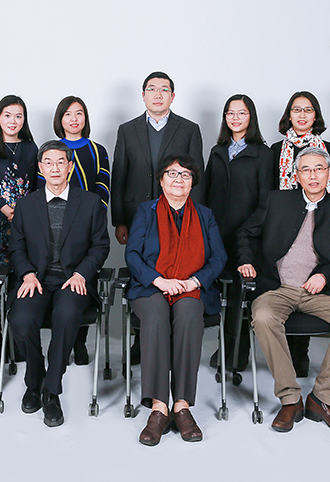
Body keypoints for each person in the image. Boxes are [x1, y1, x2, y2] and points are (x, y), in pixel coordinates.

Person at [237, 146, 330, 433]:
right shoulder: (276, 200)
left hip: (319, 292)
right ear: (296, 175)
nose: (313, 175)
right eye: (306, 169)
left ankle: (323, 399)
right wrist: (246, 260)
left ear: (328, 173)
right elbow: (245, 233)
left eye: (319, 169)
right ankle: (290, 399)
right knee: (263, 317)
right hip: (277, 288)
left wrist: (325, 275)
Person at [125, 154, 226, 446]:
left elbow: (218, 257)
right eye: (172, 173)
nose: (178, 179)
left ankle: (181, 405)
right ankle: (159, 407)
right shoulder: (146, 212)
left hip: (190, 287)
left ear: (192, 182)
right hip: (151, 286)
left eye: (185, 174)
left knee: (190, 315)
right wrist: (159, 281)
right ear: (161, 180)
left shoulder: (205, 215)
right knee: (156, 316)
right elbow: (133, 254)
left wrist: (194, 281)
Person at [8, 141, 110, 427]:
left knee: (66, 316)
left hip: (72, 280)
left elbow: (100, 246)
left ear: (70, 166)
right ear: (40, 168)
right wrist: (27, 274)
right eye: (48, 163)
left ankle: (51, 392)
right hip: (37, 279)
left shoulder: (90, 203)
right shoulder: (26, 204)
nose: (55, 168)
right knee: (20, 319)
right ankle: (35, 379)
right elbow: (16, 247)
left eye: (60, 162)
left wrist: (81, 274)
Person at [111, 71, 205, 363]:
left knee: (176, 269)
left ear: (172, 96)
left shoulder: (188, 129)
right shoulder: (127, 130)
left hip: (178, 216)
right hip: (137, 215)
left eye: (164, 89)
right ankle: (142, 340)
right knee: (143, 274)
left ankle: (173, 339)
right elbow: (119, 176)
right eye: (152, 89)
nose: (158, 94)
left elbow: (197, 178)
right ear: (143, 96)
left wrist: (196, 221)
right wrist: (119, 220)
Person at [271, 91, 330, 378]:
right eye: (296, 110)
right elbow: (270, 191)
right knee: (286, 280)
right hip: (284, 224)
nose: (301, 115)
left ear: (315, 116)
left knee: (310, 280)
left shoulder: (328, 148)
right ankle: (286, 356)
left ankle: (301, 353)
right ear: (289, 115)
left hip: (318, 222)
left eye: (308, 110)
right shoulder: (276, 149)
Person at [39, 96, 110, 366]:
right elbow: (41, 189)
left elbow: (103, 184)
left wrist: (91, 214)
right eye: (68, 114)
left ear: (85, 118)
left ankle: (79, 342)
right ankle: (63, 343)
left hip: (87, 224)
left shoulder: (97, 149)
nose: (73, 119)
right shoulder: (51, 150)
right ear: (60, 119)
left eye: (79, 113)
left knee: (82, 281)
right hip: (55, 224)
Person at [204, 94, 272, 373]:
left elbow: (266, 202)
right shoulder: (217, 151)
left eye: (241, 113)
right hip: (217, 235)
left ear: (251, 117)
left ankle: (238, 350)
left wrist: (248, 231)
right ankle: (224, 344)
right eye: (230, 113)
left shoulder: (263, 154)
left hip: (248, 237)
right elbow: (206, 194)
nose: (235, 118)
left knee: (241, 294)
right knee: (221, 291)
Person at [0, 95, 38, 368]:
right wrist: (3, 207)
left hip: (23, 223)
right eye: (8, 115)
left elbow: (35, 186)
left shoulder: (30, 147)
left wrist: (21, 212)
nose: (13, 121)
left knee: (18, 280)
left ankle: (16, 342)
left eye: (18, 116)